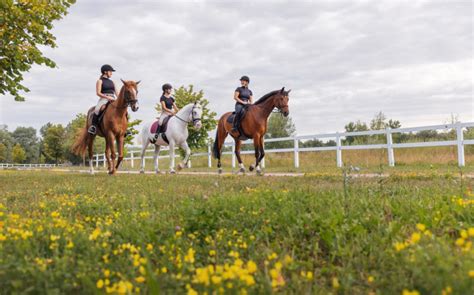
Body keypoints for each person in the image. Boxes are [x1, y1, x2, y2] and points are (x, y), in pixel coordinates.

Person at [88, 64, 119, 135]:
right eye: (110, 71)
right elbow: (98, 93)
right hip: (104, 99)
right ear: (105, 72)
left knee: (122, 109)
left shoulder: (113, 82)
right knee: (98, 109)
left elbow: (117, 93)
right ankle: (93, 127)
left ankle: (125, 128)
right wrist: (108, 97)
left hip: (113, 99)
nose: (111, 73)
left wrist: (119, 99)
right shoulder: (100, 81)